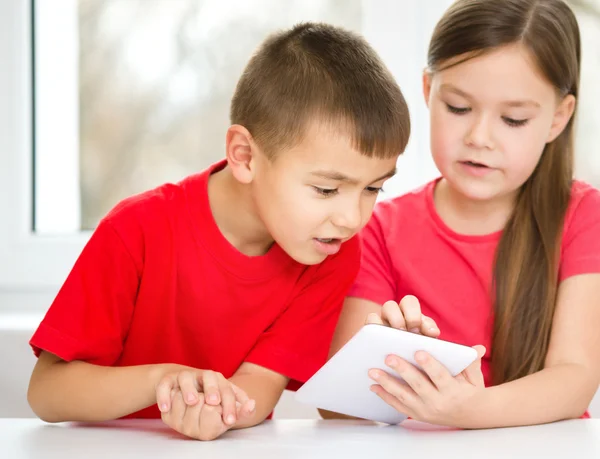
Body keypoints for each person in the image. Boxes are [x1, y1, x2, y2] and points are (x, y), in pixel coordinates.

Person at [27, 22, 410, 440]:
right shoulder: (135, 229)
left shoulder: (329, 251)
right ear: (244, 156)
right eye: (326, 189)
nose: (352, 218)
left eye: (374, 188)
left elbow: (260, 386)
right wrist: (168, 380)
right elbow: (47, 393)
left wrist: (214, 405)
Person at [322, 0, 600, 428]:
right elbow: (336, 404)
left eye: (513, 119)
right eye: (458, 108)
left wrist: (469, 409)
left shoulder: (582, 217)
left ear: (558, 119)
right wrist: (391, 360)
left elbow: (575, 378)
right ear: (429, 90)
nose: (479, 137)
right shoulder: (380, 228)